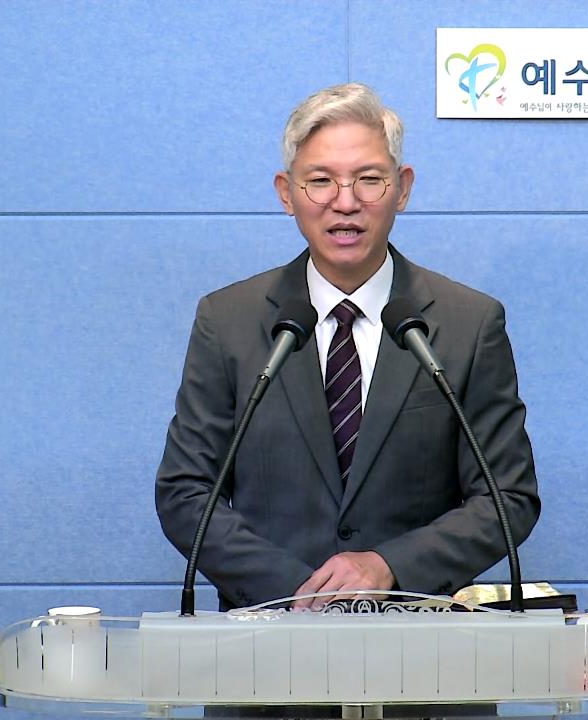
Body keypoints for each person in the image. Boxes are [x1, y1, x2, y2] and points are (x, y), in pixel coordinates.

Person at [155, 83, 539, 611]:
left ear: (402, 188)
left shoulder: (467, 323)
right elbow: (186, 491)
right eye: (320, 181)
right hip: (268, 638)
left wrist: (389, 567)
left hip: (420, 638)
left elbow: (507, 498)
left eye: (369, 179)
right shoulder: (229, 321)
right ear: (286, 193)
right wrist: (298, 590)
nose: (345, 202)